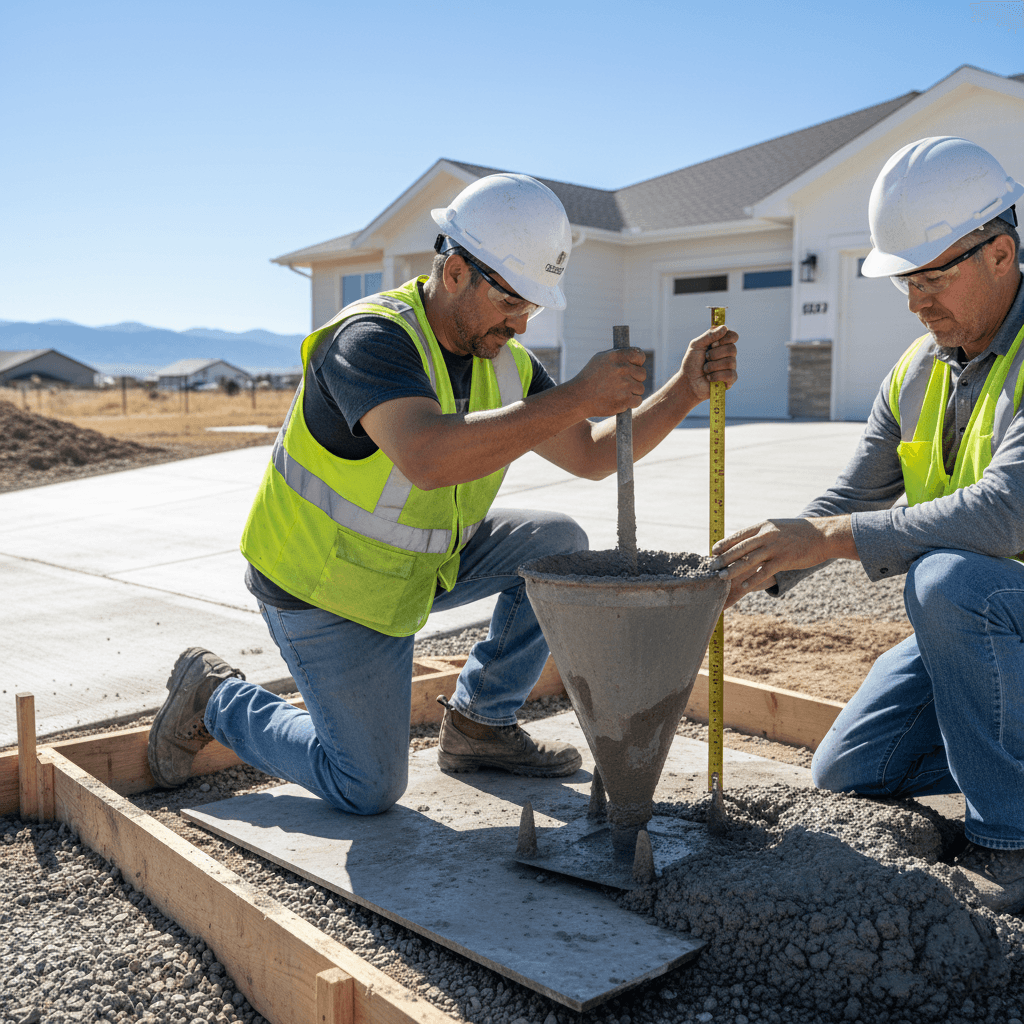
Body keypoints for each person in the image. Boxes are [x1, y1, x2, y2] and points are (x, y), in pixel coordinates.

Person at [147, 172, 739, 816]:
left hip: (415, 568)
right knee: (367, 787)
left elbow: (592, 456)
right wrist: (576, 395)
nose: (521, 322)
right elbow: (426, 456)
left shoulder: (504, 360)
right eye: (513, 301)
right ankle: (215, 698)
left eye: (533, 307)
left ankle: (479, 726)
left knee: (558, 543)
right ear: (456, 271)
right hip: (324, 587)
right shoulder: (370, 340)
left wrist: (684, 390)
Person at [710, 136, 1024, 913]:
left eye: (931, 277)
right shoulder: (917, 371)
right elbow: (849, 501)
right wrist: (763, 561)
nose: (917, 302)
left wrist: (831, 539)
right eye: (905, 283)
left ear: (1001, 253)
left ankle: (1010, 839)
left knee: (944, 579)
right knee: (851, 770)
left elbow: (1007, 508)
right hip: (994, 634)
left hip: (982, 608)